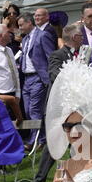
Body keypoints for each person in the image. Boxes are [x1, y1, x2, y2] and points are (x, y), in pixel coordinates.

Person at [30, 23, 84, 182]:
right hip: (59, 107)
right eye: (80, 36)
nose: (82, 38)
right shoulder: (57, 55)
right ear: (74, 37)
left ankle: (79, 179)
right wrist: (74, 78)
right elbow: (54, 74)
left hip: (78, 108)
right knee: (52, 146)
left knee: (81, 143)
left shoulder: (84, 54)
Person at [18, 12, 56, 151]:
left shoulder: (43, 35)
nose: (20, 28)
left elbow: (51, 57)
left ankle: (36, 140)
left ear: (29, 23)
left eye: (21, 25)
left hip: (38, 78)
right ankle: (41, 137)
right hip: (26, 78)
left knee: (34, 110)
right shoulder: (24, 39)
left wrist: (47, 77)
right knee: (28, 110)